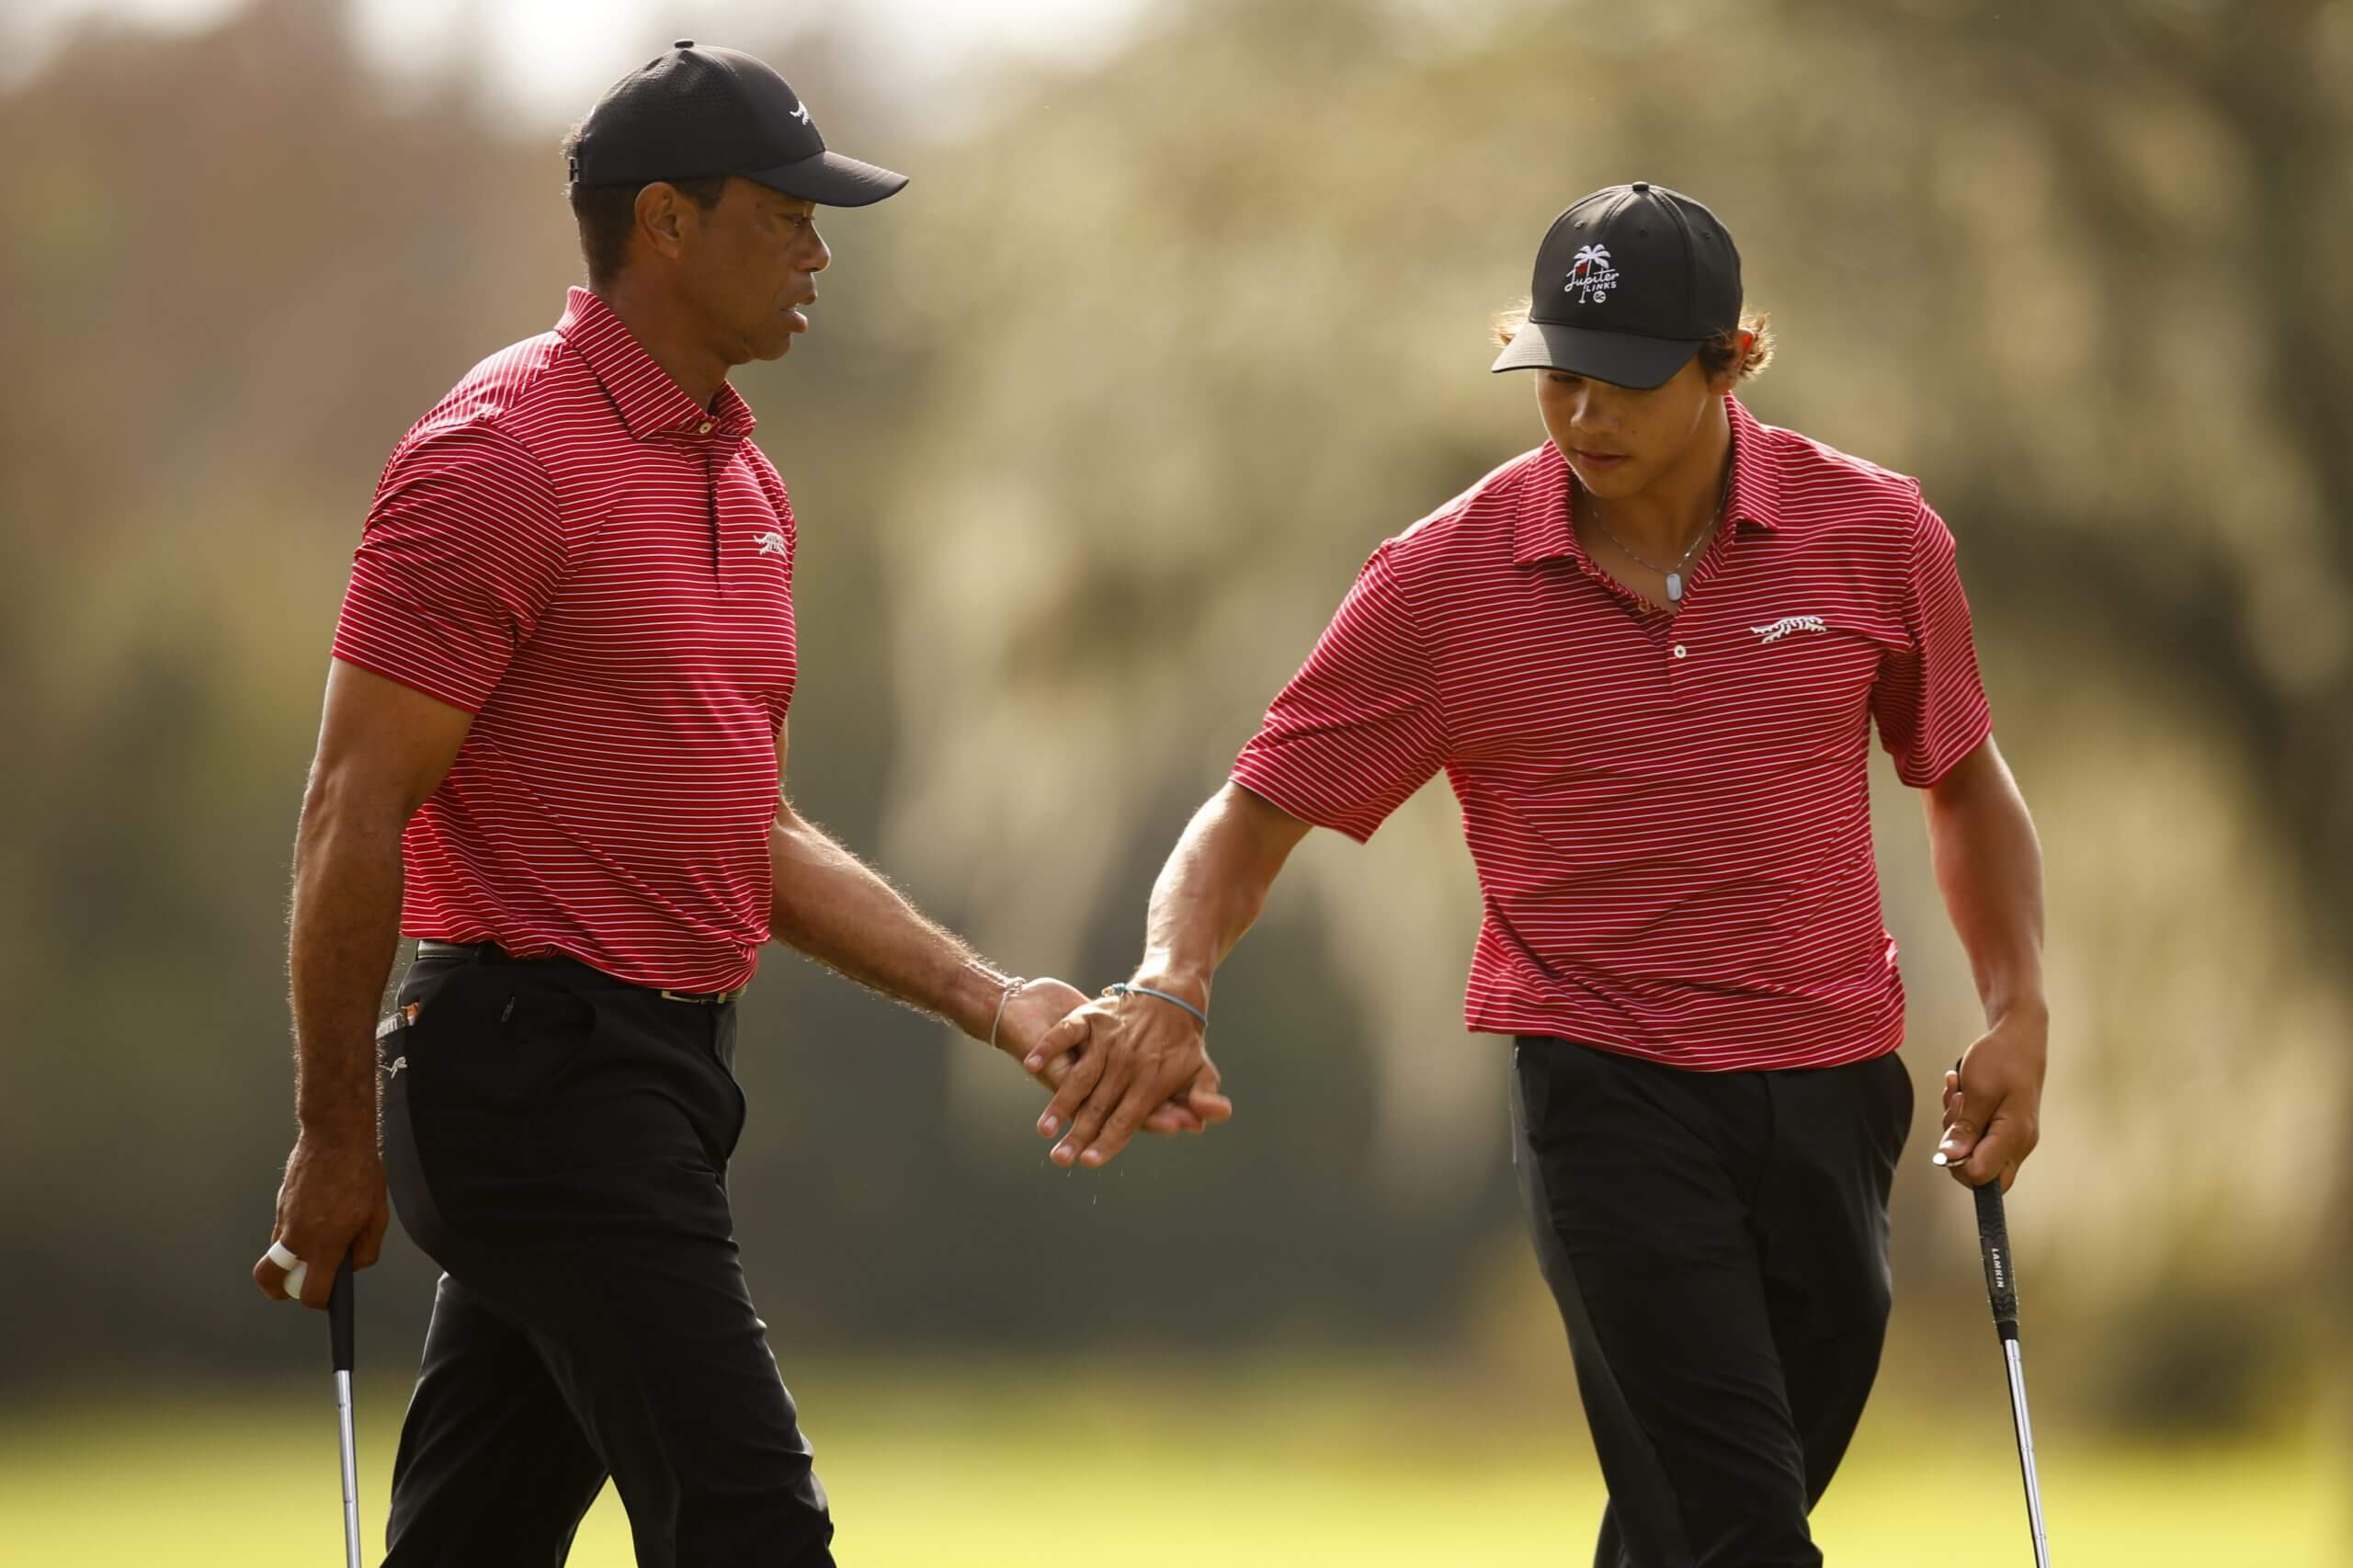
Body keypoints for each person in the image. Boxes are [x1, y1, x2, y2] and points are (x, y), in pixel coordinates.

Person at [248, 41, 1222, 1567]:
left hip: (654, 1070)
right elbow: (350, 804)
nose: (821, 252)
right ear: (666, 224)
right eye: (786, 216)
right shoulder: (501, 455)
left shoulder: (741, 480)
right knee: (752, 1520)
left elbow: (741, 825)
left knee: (473, 1537)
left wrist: (990, 999)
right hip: (530, 1072)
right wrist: (329, 1134)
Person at [1033, 182, 2048, 1567]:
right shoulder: (1448, 576)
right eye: (1556, 376)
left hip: (1832, 1094)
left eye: (1626, 382)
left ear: (1729, 363)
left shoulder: (1874, 534)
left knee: (1691, 1522)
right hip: (1606, 1094)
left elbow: (1965, 780)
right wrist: (1172, 979)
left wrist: (2019, 1010)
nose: (1584, 418)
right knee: (1746, 1530)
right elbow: (1248, 818)